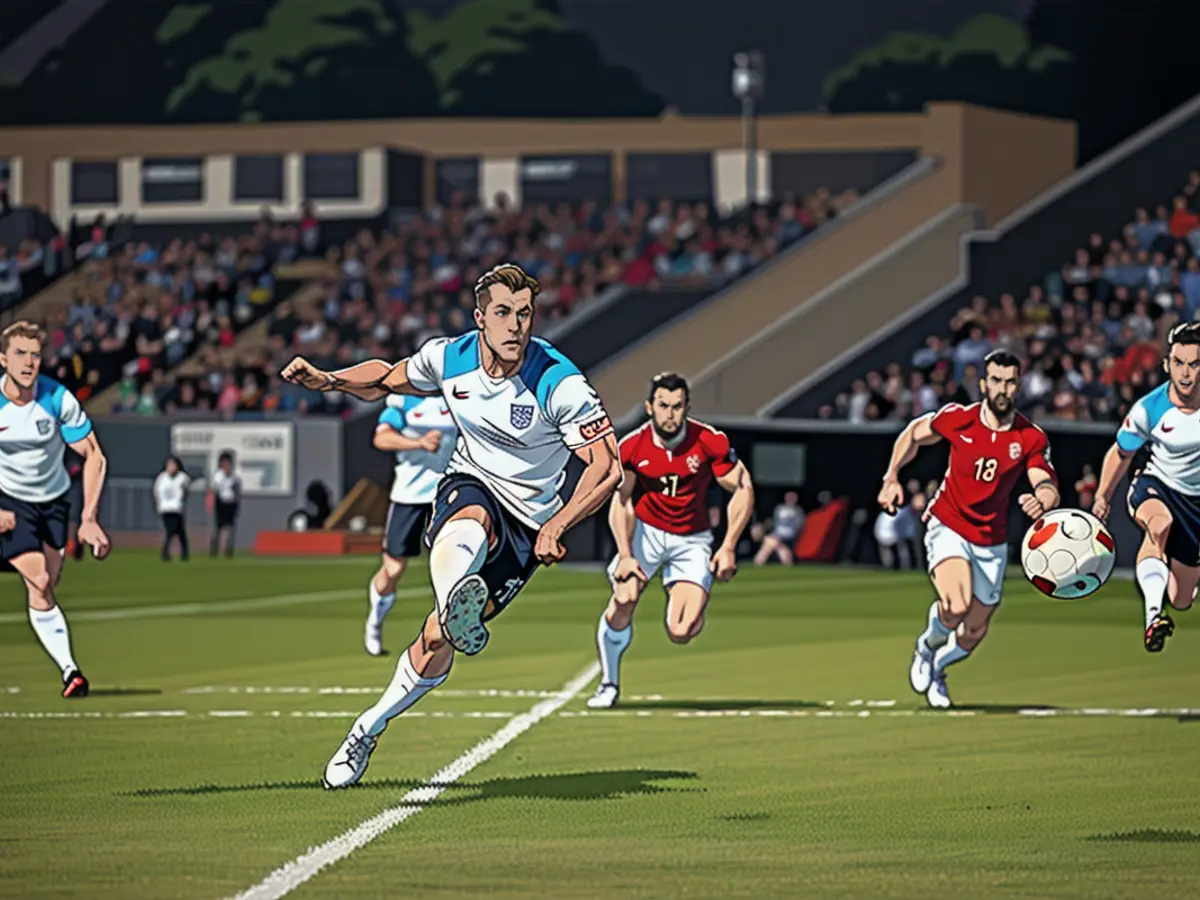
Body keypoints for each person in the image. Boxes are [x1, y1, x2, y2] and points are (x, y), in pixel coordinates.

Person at [280, 263, 621, 789]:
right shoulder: (449, 357)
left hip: (529, 524)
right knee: (471, 518)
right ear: (480, 318)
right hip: (472, 481)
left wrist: (559, 522)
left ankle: (369, 724)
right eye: (504, 313)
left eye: (525, 314)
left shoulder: (560, 382)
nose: (515, 326)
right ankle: (455, 593)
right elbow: (387, 377)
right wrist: (329, 379)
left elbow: (607, 465)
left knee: (437, 638)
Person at [877, 350, 1058, 709]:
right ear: (983, 384)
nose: (1002, 388)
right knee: (955, 604)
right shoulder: (959, 418)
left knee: (974, 630)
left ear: (1018, 385)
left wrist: (1044, 500)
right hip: (949, 523)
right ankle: (926, 647)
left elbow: (1046, 481)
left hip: (992, 540)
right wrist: (891, 476)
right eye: (995, 380)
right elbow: (913, 434)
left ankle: (940, 668)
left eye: (1009, 381)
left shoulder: (1030, 437)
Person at [586, 372, 755, 710]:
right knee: (624, 598)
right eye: (663, 405)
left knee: (681, 631)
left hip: (692, 538)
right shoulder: (632, 446)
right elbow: (621, 501)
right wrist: (625, 554)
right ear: (650, 407)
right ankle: (609, 683)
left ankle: (692, 602)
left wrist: (729, 545)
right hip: (646, 532)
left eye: (677, 406)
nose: (669, 414)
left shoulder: (708, 441)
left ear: (687, 407)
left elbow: (742, 487)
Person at [0, 320, 111, 698]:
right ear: (3, 360)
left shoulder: (57, 398)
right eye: (20, 354)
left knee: (46, 587)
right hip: (10, 500)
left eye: (34, 355)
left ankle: (68, 670)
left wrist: (89, 518)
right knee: (41, 580)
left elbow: (94, 455)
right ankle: (71, 671)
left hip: (55, 501)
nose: (29, 362)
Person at [1093, 321, 1200, 652]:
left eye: (1194, 364)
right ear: (1167, 363)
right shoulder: (1149, 408)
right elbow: (1121, 452)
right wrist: (1102, 497)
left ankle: (1169, 600)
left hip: (1196, 505)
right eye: (1178, 363)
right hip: (1158, 484)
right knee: (1159, 524)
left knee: (1182, 599)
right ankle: (1153, 616)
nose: (1185, 373)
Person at [366, 392, 456, 656]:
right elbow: (381, 438)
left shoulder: (459, 393)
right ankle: (375, 623)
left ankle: (446, 633)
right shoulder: (402, 401)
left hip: (449, 493)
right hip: (409, 494)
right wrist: (418, 442)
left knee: (453, 564)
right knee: (392, 571)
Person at [153, 455, 191, 562]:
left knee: (180, 532)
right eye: (169, 465)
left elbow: (186, 490)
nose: (171, 467)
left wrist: (182, 500)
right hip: (166, 509)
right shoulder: (162, 478)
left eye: (173, 465)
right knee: (170, 531)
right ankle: (165, 553)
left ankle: (184, 553)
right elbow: (157, 493)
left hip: (177, 508)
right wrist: (158, 505)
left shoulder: (182, 478)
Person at [753, 490, 803, 566]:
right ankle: (786, 561)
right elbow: (775, 522)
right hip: (778, 534)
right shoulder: (780, 508)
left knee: (769, 543)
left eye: (793, 497)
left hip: (789, 534)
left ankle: (759, 561)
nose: (791, 499)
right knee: (775, 545)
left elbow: (799, 525)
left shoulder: (798, 510)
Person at [207, 451, 241, 558]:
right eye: (224, 463)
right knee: (217, 529)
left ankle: (229, 551)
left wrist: (236, 504)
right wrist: (210, 504)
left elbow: (237, 491)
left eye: (228, 463)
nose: (227, 466)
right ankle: (214, 551)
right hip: (220, 503)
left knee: (231, 529)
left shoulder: (235, 477)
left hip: (231, 503)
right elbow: (212, 491)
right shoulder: (217, 477)